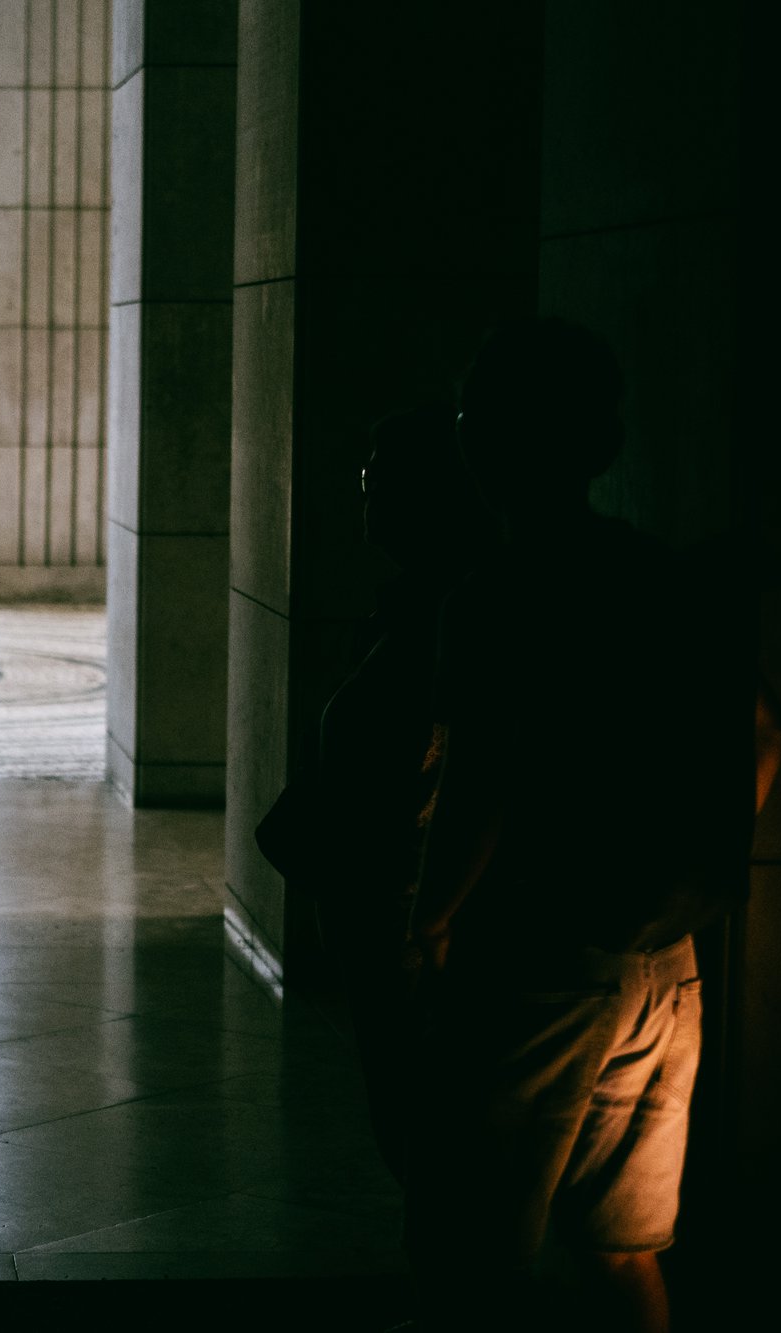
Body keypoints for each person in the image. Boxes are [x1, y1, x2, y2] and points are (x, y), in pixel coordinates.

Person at [403, 318, 774, 1332]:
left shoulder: (495, 595)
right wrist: (690, 862)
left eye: (473, 417)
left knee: (468, 1253)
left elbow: (482, 778)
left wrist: (428, 923)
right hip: (663, 961)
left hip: (539, 949)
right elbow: (761, 733)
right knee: (620, 1247)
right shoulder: (661, 577)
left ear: (492, 440)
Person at [256, 406, 495, 1180]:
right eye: (368, 482)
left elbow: (473, 773)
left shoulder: (454, 613)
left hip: (409, 909)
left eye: (381, 484)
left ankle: (446, 1295)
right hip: (388, 902)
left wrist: (427, 918)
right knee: (408, 1114)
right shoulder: (414, 604)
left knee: (423, 1122)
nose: (368, 501)